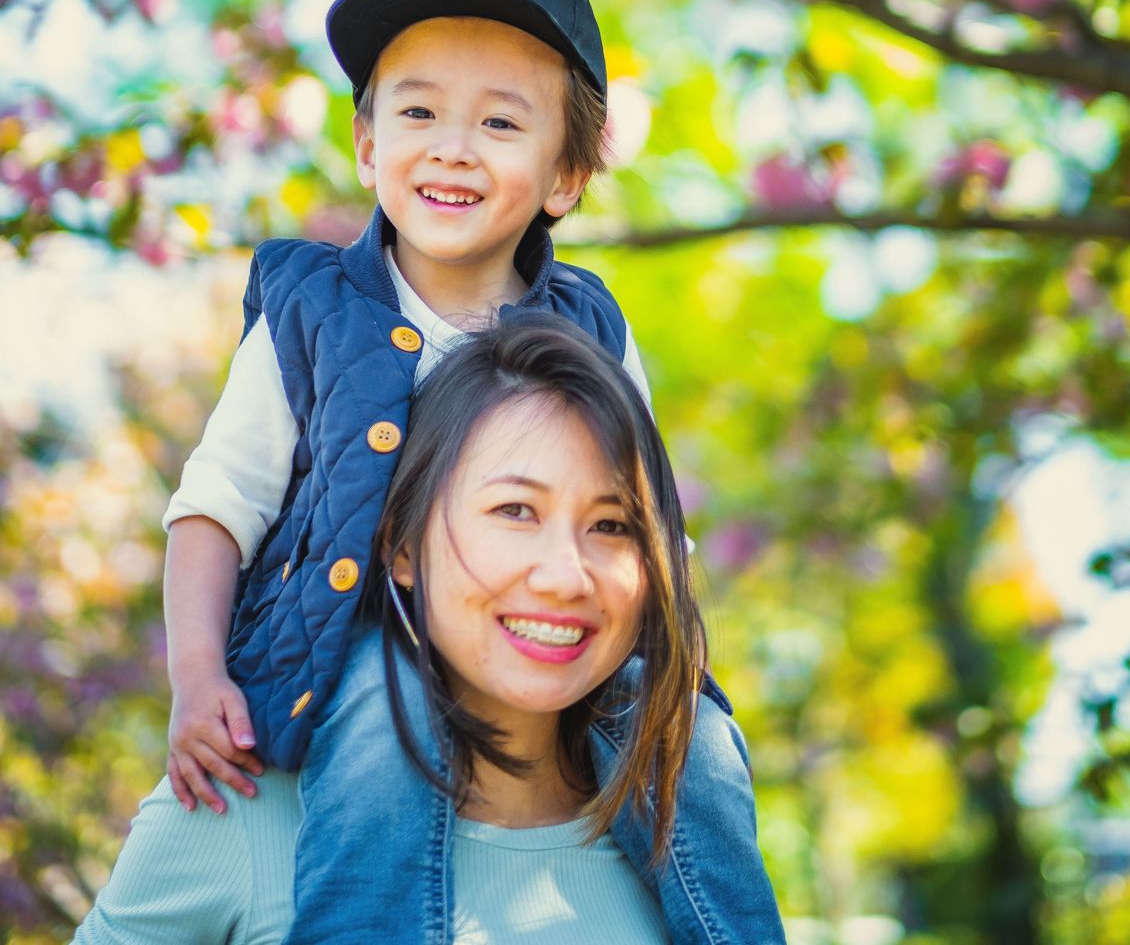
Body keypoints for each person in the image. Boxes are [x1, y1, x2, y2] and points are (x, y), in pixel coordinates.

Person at [155, 0, 786, 941]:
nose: (452, 145)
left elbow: (649, 522)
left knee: (697, 747)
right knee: (377, 730)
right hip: (352, 644)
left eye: (500, 121)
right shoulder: (309, 307)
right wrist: (199, 677)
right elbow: (216, 506)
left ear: (565, 177)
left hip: (552, 631)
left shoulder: (593, 328)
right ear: (366, 146)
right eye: (417, 112)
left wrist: (671, 663)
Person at [76, 317, 783, 943]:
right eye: (515, 511)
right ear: (402, 548)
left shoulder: (683, 826)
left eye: (612, 525)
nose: (567, 576)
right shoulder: (236, 813)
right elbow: (219, 495)